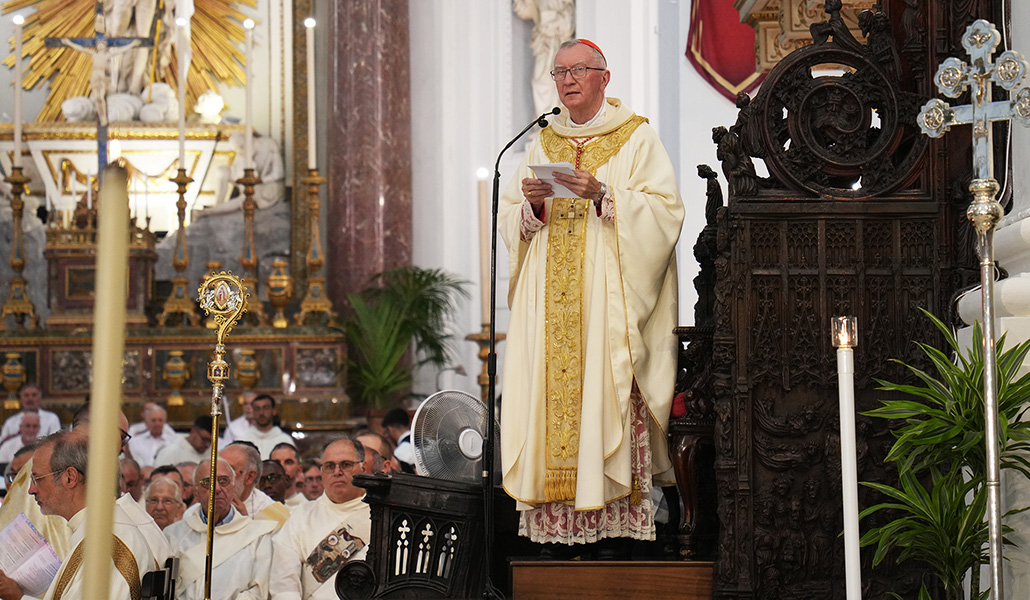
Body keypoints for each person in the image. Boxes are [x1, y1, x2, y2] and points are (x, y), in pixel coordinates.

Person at [498, 39, 683, 550]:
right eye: (560, 72)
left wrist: (604, 194)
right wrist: (530, 208)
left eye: (579, 69)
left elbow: (666, 212)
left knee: (606, 390)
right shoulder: (542, 142)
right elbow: (510, 215)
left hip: (606, 310)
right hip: (549, 313)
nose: (568, 79)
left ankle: (616, 532)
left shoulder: (636, 137)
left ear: (605, 77)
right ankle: (555, 529)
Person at [29, 431, 155, 600]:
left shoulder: (107, 547)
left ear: (70, 478)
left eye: (37, 478)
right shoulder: (102, 530)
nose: (32, 489)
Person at [270, 439, 371, 600]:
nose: (337, 471)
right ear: (322, 472)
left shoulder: (382, 518)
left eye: (346, 464)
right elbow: (284, 582)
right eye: (330, 466)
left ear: (363, 468)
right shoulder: (301, 517)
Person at [165, 458, 276, 600]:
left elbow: (259, 590)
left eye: (223, 481)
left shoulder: (257, 536)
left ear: (234, 487)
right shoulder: (173, 535)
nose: (216, 489)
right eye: (207, 482)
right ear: (196, 492)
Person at [270, 442, 308, 509]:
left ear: (299, 470)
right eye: (276, 462)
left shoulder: (308, 509)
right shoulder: (259, 505)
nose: (282, 467)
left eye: (288, 462)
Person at [381, 408, 414, 473]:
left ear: (390, 429)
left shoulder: (400, 452)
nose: (386, 436)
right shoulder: (428, 442)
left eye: (386, 432)